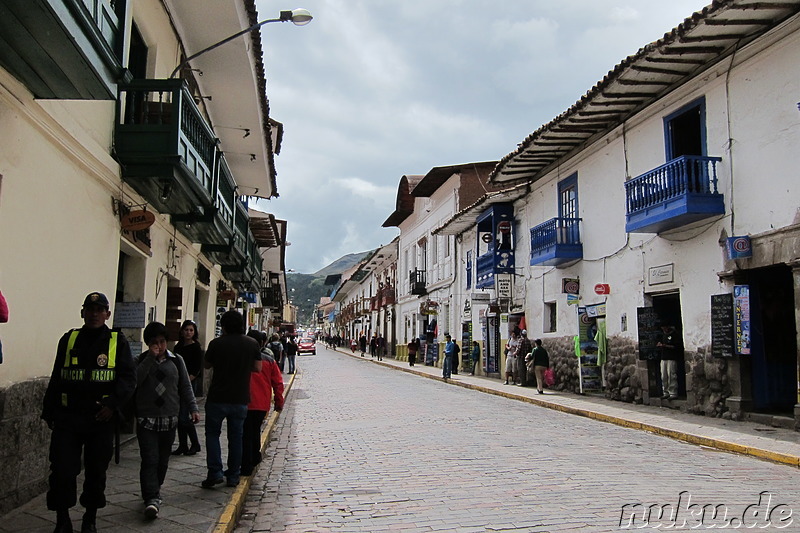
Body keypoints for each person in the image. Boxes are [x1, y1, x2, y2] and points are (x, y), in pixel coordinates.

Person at [41, 292, 136, 533]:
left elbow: (127, 379)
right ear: (82, 312)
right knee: (62, 470)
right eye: (90, 309)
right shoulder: (69, 339)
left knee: (96, 472)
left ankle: (89, 518)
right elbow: (57, 375)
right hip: (68, 417)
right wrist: (49, 410)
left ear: (107, 314)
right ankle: (62, 519)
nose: (94, 314)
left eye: (99, 309)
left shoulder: (118, 342)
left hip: (99, 419)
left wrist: (112, 405)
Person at [134, 322, 199, 519]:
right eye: (154, 342)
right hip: (147, 419)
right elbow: (135, 381)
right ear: (147, 343)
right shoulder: (140, 361)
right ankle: (151, 498)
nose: (159, 346)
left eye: (162, 342)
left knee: (163, 460)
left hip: (170, 419)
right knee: (150, 459)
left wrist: (193, 408)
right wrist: (150, 359)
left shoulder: (176, 361)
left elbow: (185, 387)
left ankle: (155, 489)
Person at [202, 310, 262, 489]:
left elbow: (206, 365)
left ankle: (215, 472)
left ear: (224, 326)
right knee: (236, 437)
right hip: (240, 398)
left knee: (212, 435)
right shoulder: (251, 344)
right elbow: (258, 368)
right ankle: (234, 475)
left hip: (217, 398)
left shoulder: (216, 343)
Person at [241, 331, 284, 476]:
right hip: (261, 403)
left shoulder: (241, 358)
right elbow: (278, 383)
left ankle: (247, 462)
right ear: (262, 343)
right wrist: (279, 402)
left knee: (245, 433)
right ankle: (254, 456)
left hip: (242, 401)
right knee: (255, 430)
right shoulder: (269, 360)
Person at [171, 320, 202, 456]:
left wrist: (186, 381)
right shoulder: (178, 347)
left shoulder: (196, 348)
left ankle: (195, 444)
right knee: (179, 416)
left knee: (184, 416)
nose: (188, 332)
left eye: (191, 330)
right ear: (182, 332)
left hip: (189, 383)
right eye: (186, 330)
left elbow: (196, 369)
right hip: (177, 383)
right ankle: (183, 445)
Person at [657, 324, 681, 400]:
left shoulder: (674, 335)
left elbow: (676, 346)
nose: (664, 329)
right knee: (664, 375)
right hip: (663, 357)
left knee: (671, 375)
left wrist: (665, 346)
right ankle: (665, 392)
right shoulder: (662, 335)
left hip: (671, 357)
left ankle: (673, 393)